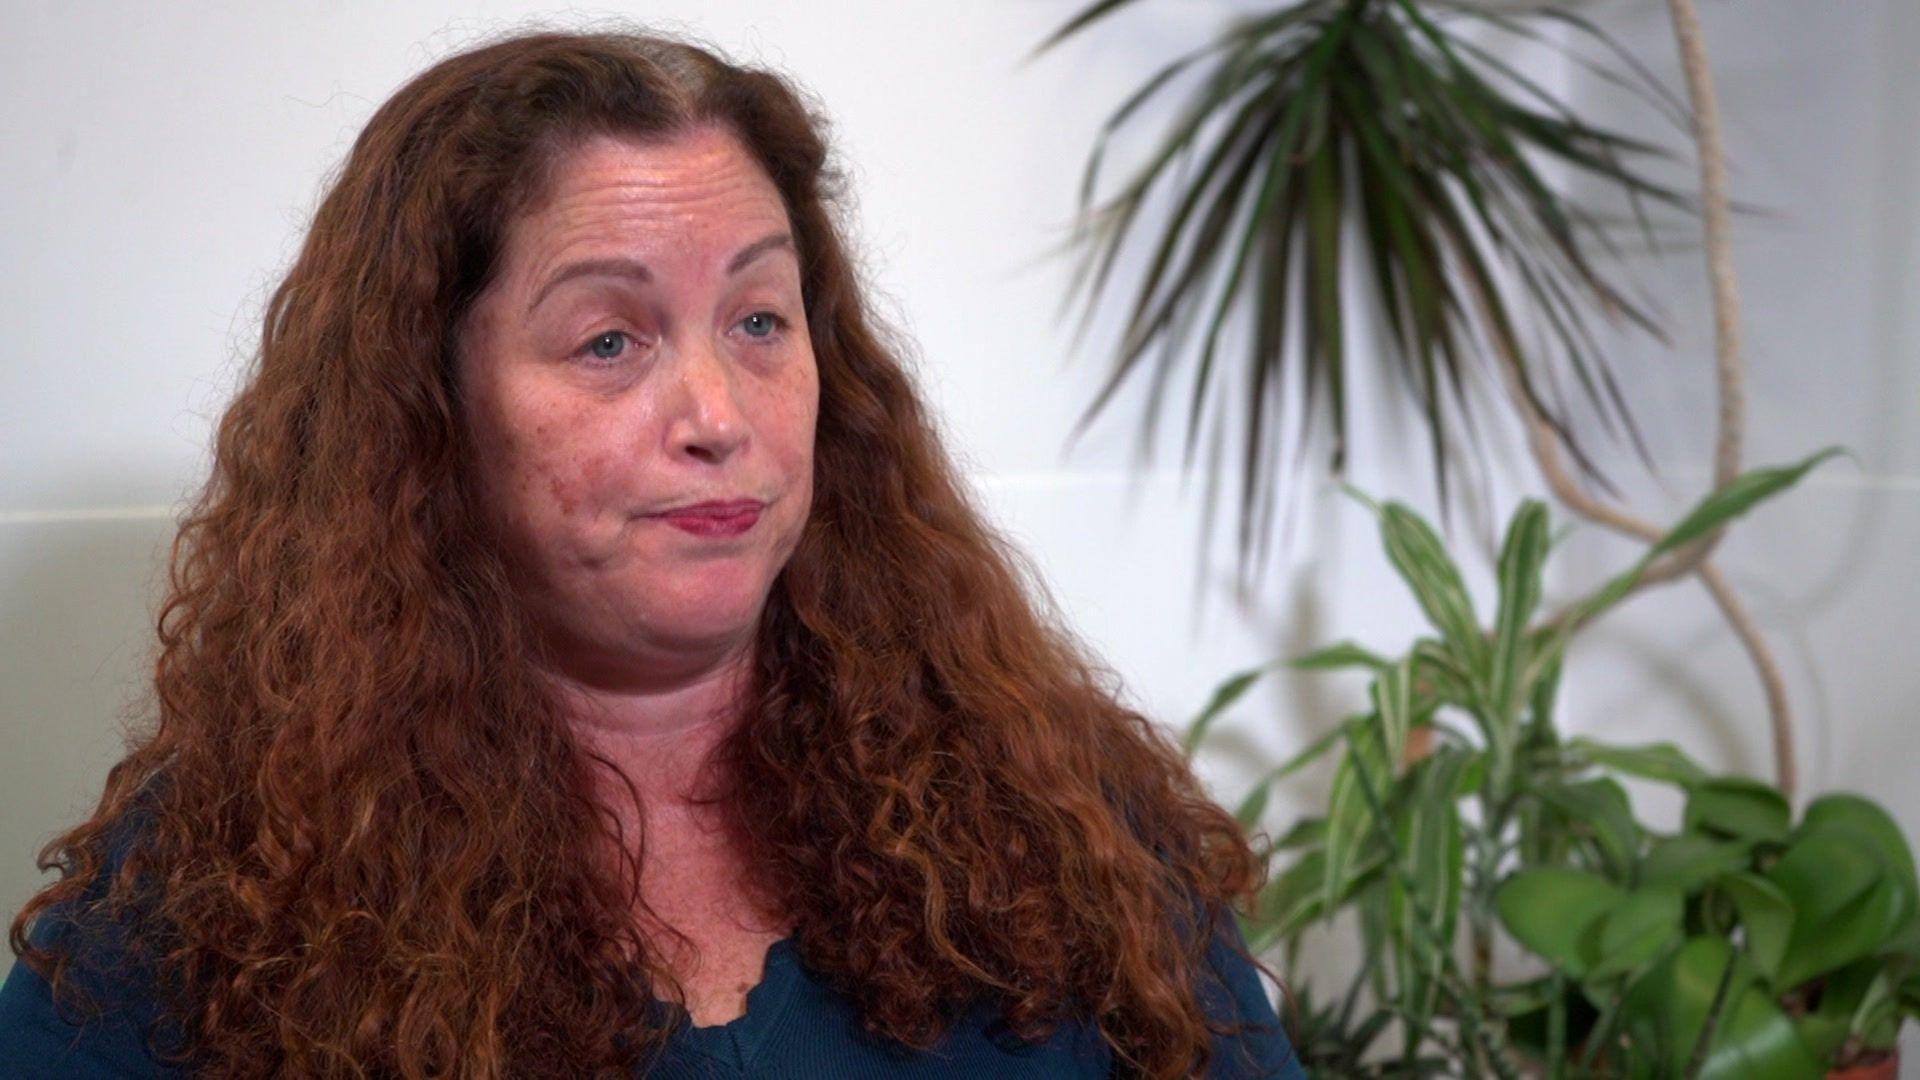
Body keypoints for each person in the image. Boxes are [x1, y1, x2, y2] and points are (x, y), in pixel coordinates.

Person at [0, 25, 1305, 1078]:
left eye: (758, 319)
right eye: (610, 340)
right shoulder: (205, 913)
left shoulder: (1071, 822)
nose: (719, 418)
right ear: (431, 411)